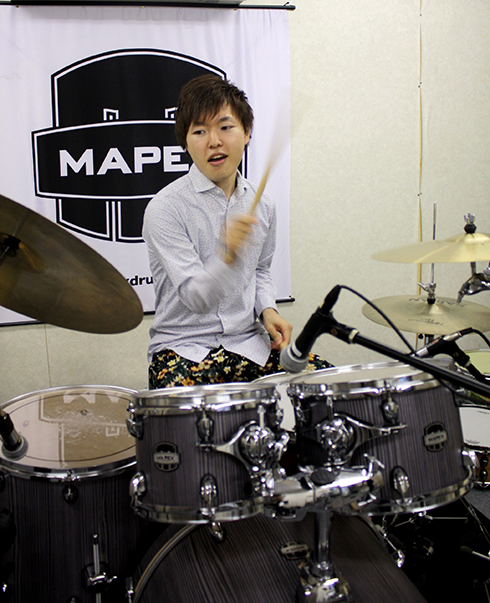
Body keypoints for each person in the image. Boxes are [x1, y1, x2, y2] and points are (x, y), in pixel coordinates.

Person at [143, 75, 330, 388]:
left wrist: (267, 309)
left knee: (326, 385)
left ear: (246, 133)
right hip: (183, 350)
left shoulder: (262, 204)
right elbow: (195, 298)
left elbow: (260, 271)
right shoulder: (164, 209)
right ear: (185, 143)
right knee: (187, 412)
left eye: (225, 127)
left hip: (248, 344)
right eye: (199, 131)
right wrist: (226, 255)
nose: (214, 141)